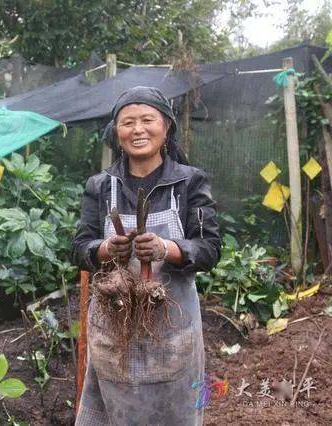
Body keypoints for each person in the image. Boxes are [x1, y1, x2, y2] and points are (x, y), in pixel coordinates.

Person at [72, 86, 221, 425]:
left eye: (147, 120)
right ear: (117, 133)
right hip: (115, 329)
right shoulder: (100, 186)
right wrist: (105, 249)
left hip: (173, 332)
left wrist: (167, 249)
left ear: (166, 127)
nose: (137, 130)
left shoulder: (190, 183)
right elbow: (79, 248)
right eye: (127, 123)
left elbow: (210, 248)